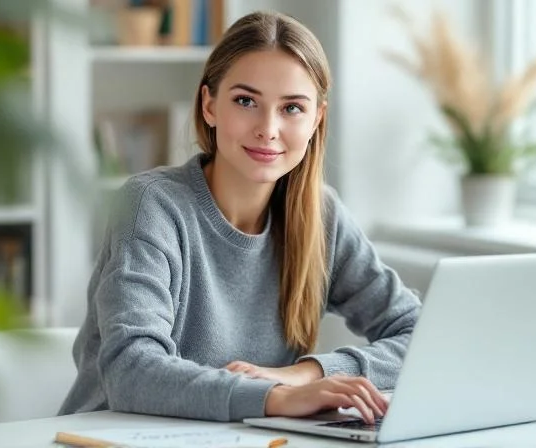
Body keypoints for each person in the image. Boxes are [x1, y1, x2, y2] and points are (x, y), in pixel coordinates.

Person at [59, 10, 421, 425]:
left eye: (292, 108)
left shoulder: (322, 216)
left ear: (317, 119)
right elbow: (131, 370)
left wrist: (305, 374)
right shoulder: (151, 205)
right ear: (209, 105)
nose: (268, 128)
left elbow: (420, 334)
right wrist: (276, 397)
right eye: (246, 101)